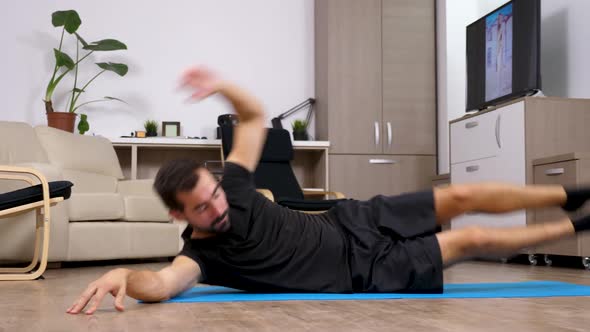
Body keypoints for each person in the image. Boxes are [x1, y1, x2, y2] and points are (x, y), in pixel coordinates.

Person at [67, 66, 590, 315]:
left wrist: (220, 85)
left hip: (353, 218)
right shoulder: (202, 260)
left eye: (216, 194)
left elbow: (252, 116)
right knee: (466, 238)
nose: (217, 206)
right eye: (203, 208)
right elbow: (159, 286)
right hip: (364, 273)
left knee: (456, 199)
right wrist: (123, 277)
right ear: (182, 217)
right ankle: (575, 226)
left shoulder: (237, 186)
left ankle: (567, 196)